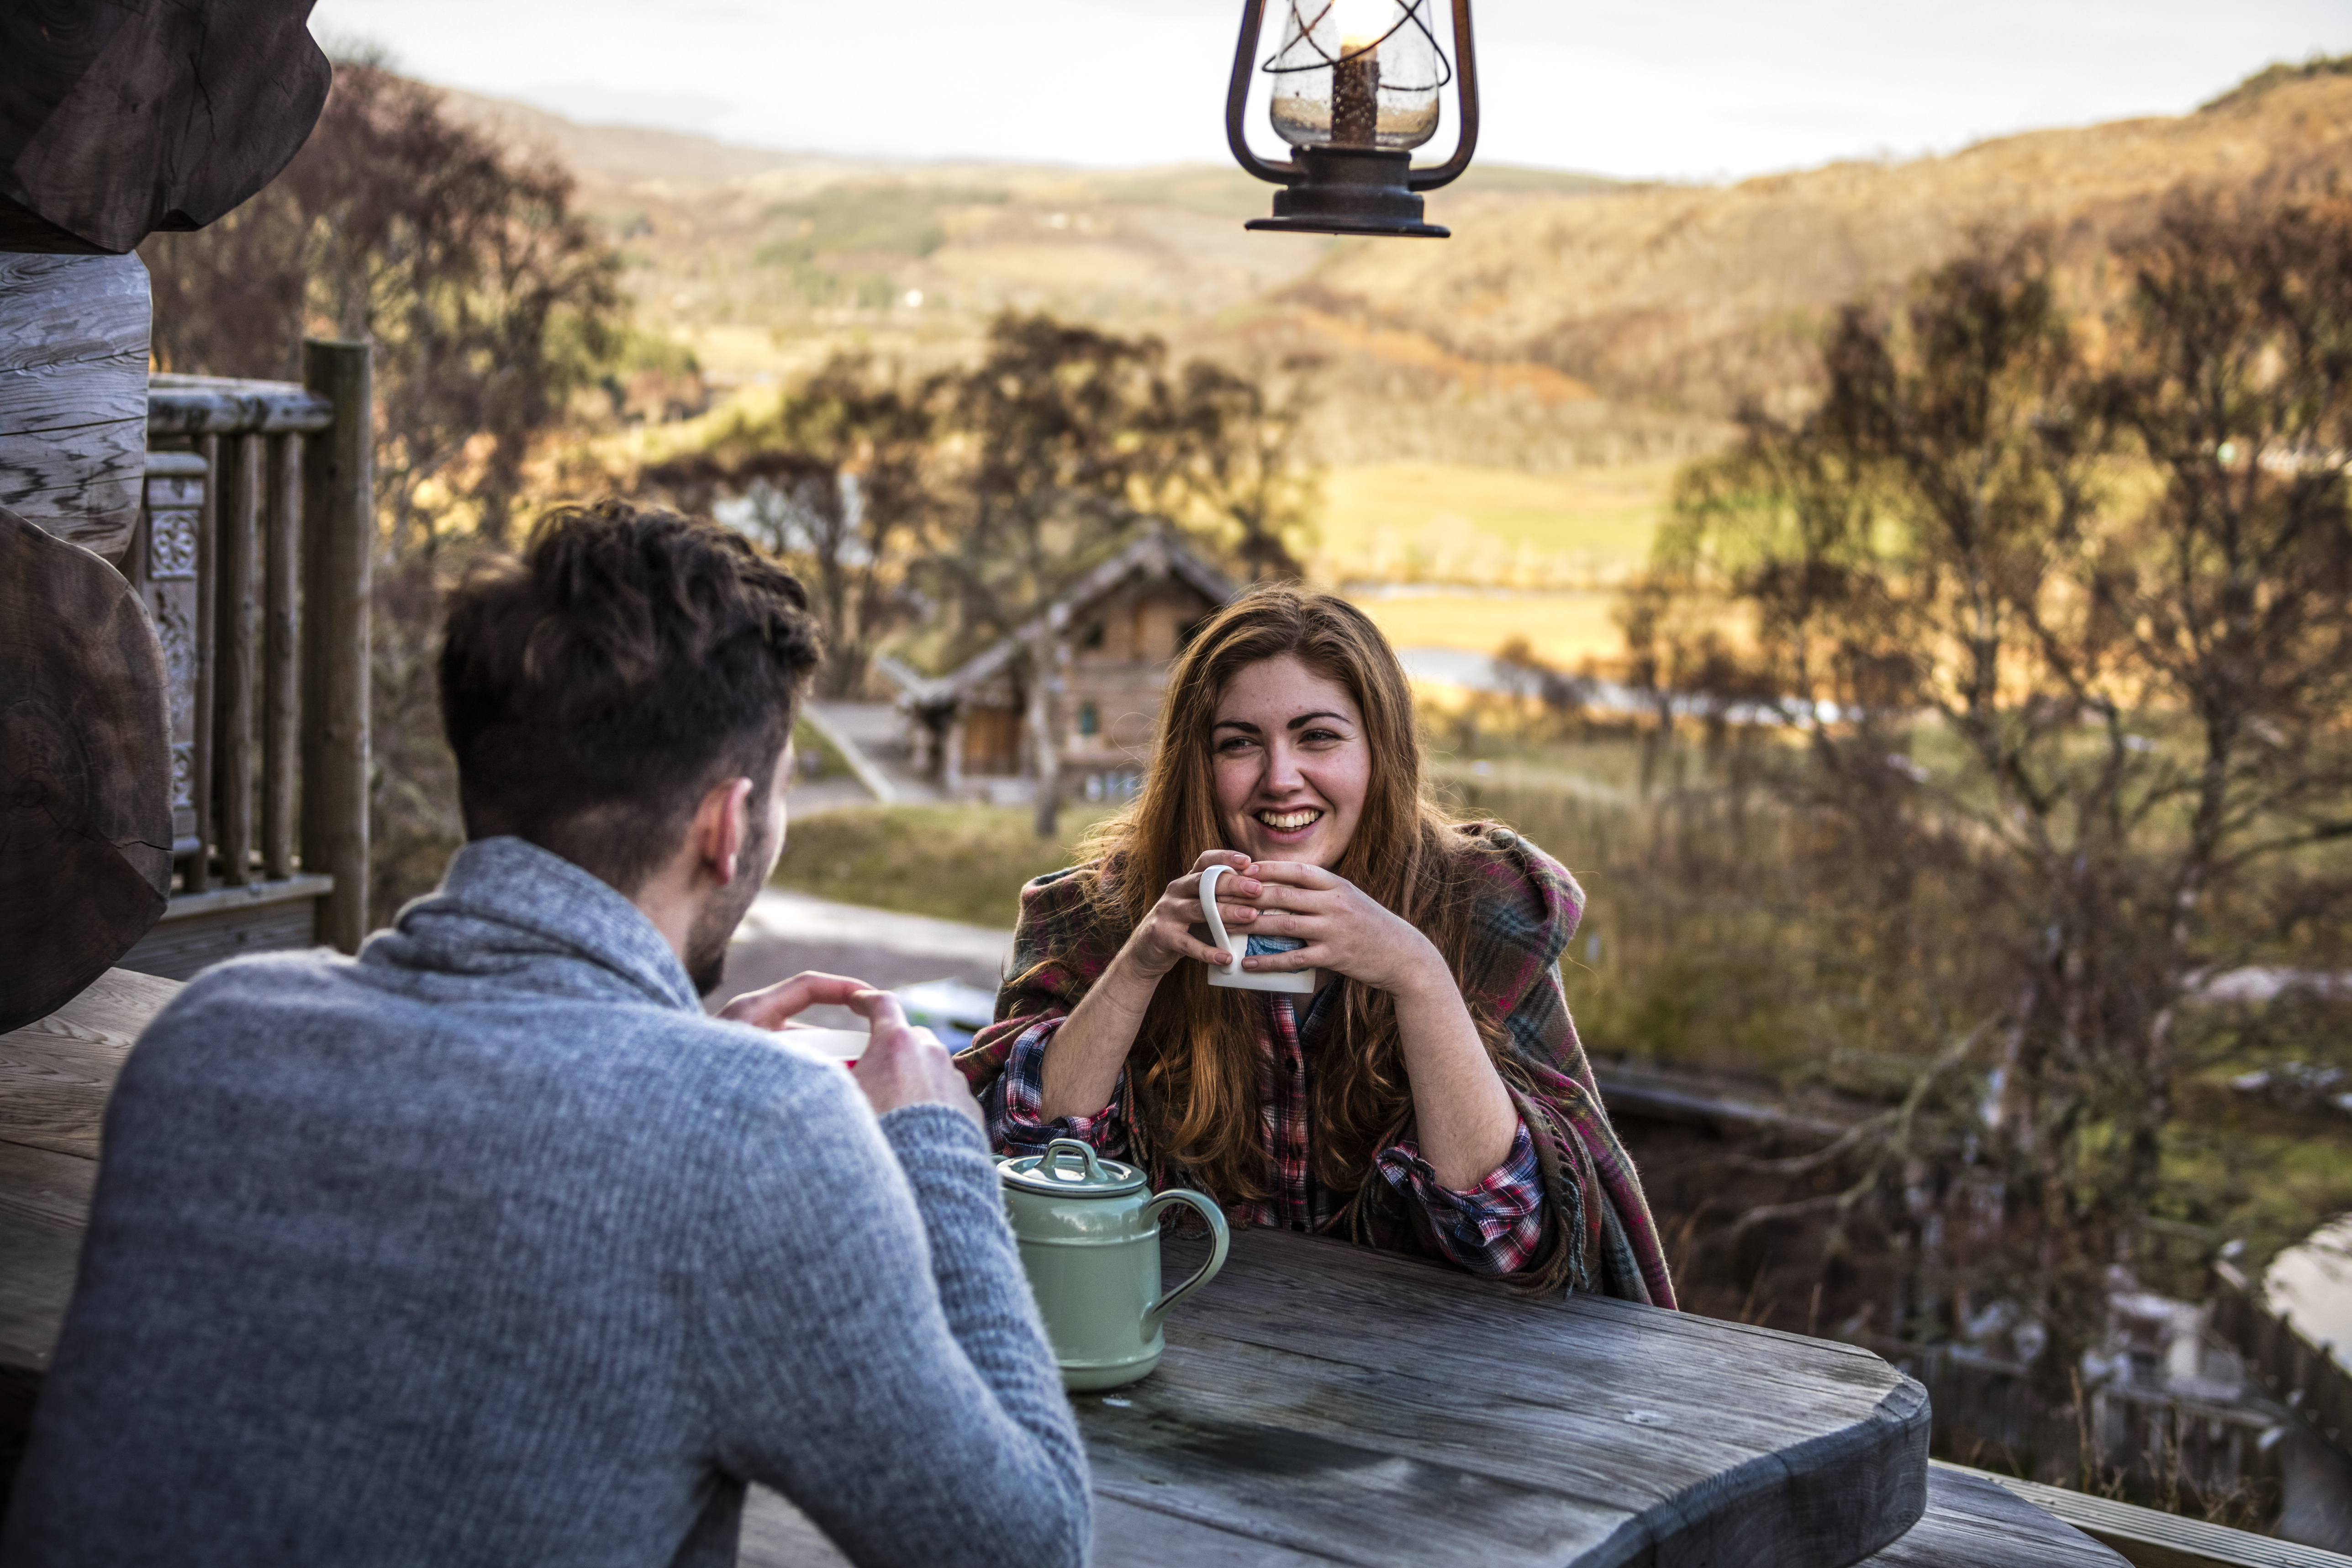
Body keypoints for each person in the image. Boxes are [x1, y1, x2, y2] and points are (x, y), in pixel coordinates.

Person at [2, 502, 1090, 1568]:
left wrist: (676, 1060)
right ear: (728, 824)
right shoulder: (757, 1143)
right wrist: (939, 1151)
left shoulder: (214, 1036)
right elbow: (1028, 1546)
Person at [957, 586, 1675, 1303]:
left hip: (1426, 1370)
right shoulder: (1102, 911)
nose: (1279, 778)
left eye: (1318, 736)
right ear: (1195, 764)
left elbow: (1505, 1238)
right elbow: (1032, 1173)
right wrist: (1141, 962)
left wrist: (1414, 971)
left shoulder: (1476, 907)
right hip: (1171, 1339)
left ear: (1378, 751)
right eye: (1239, 742)